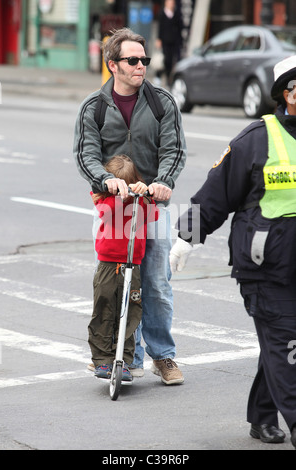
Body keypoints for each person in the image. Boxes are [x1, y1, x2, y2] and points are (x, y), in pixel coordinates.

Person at [170, 55, 296, 447]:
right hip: (266, 268)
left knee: (282, 343)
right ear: (287, 95)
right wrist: (185, 237)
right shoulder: (256, 139)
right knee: (288, 342)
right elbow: (213, 194)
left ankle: (261, 416)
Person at [74, 28, 187, 385]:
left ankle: (163, 356)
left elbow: (174, 150)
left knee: (155, 284)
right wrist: (105, 180)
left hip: (151, 206)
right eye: (132, 60)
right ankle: (125, 357)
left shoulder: (162, 103)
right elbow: (85, 154)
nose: (141, 66)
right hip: (112, 209)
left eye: (144, 60)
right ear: (113, 65)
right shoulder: (94, 106)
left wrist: (163, 182)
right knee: (118, 283)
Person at [88, 154, 158, 382]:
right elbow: (107, 214)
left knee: (130, 313)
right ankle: (102, 360)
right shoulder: (105, 201)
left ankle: (125, 362)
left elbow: (153, 214)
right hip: (108, 265)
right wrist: (119, 196)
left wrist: (144, 194)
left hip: (133, 266)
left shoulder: (138, 203)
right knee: (104, 309)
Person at [154, 0, 183, 87]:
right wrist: (159, 39)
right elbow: (160, 27)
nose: (171, 4)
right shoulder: (162, 13)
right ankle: (158, 75)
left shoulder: (177, 13)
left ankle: (168, 79)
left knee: (171, 60)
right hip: (165, 41)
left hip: (174, 41)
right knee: (165, 60)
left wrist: (180, 40)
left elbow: (180, 27)